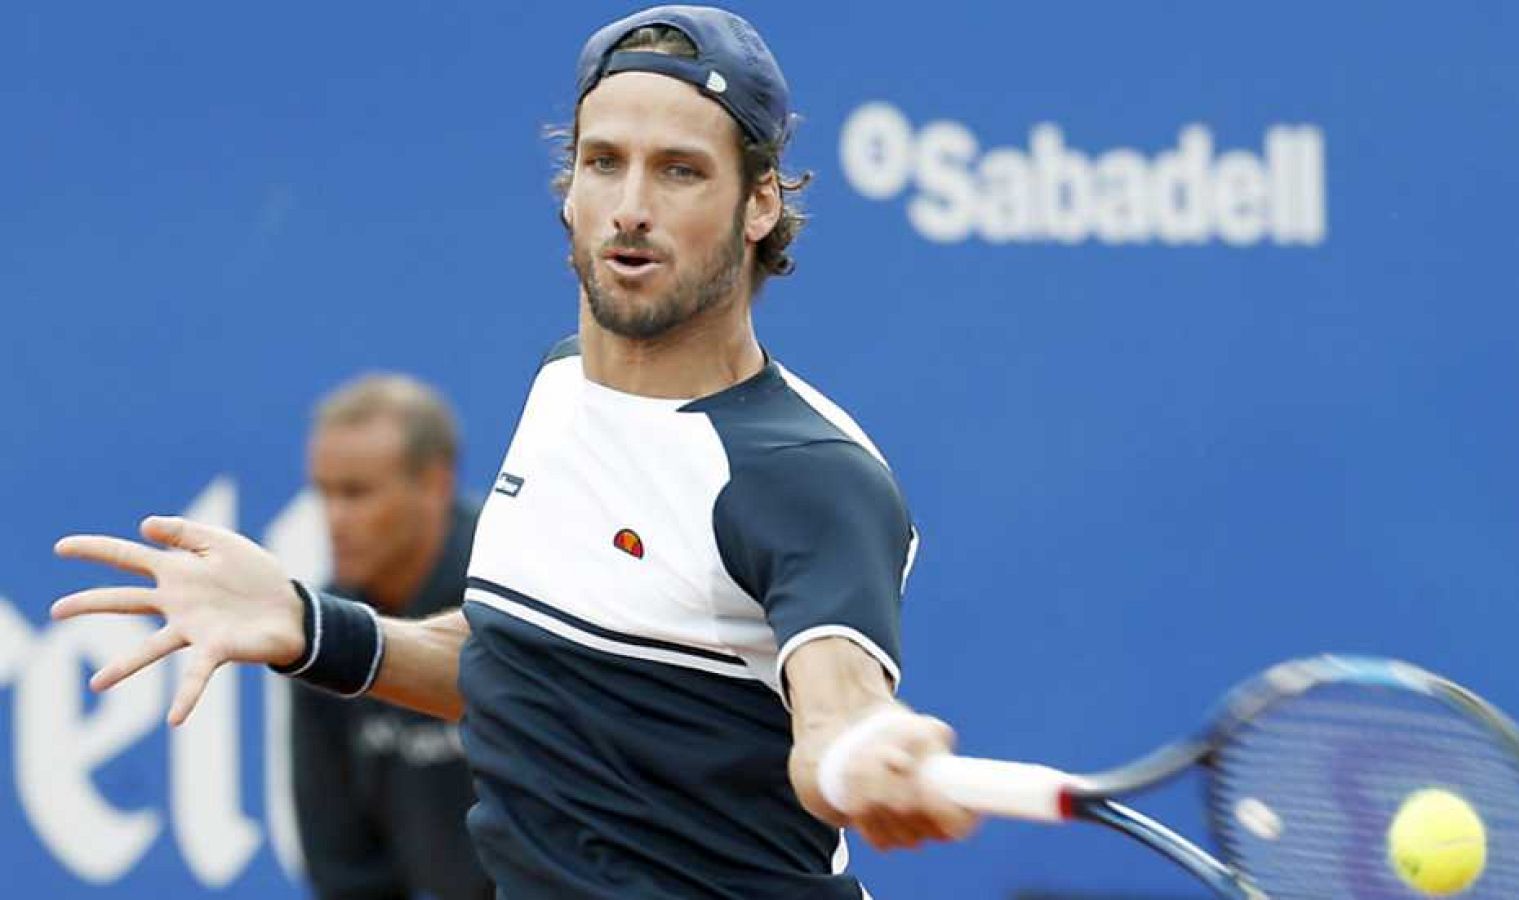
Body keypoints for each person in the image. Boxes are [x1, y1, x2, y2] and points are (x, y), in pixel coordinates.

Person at [53, 6, 979, 898]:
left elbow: (835, 712)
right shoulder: (563, 388)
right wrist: (312, 626)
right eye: (604, 162)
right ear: (567, 188)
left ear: (760, 202)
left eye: (680, 172)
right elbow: (525, 666)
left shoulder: (808, 473)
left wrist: (863, 752)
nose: (630, 208)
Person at [294, 374, 493, 900]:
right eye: (324, 493)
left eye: (356, 493)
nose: (334, 519)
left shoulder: (518, 592)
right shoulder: (323, 629)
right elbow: (343, 865)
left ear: (434, 482)